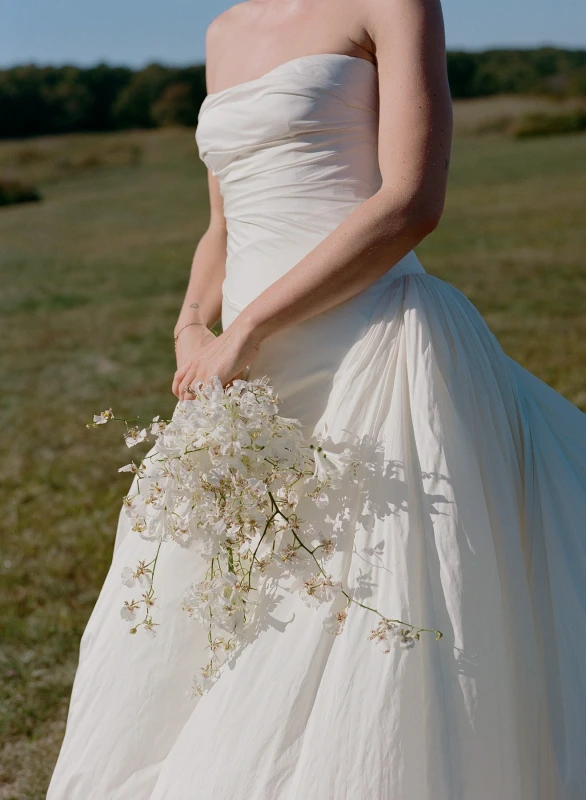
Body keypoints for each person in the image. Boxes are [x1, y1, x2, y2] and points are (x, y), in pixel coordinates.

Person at [48, 0, 586, 797]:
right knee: (216, 609)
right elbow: (222, 223)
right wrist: (191, 326)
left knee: (370, 607)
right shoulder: (223, 32)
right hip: (248, 384)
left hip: (373, 350)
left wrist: (252, 324)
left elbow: (412, 200)